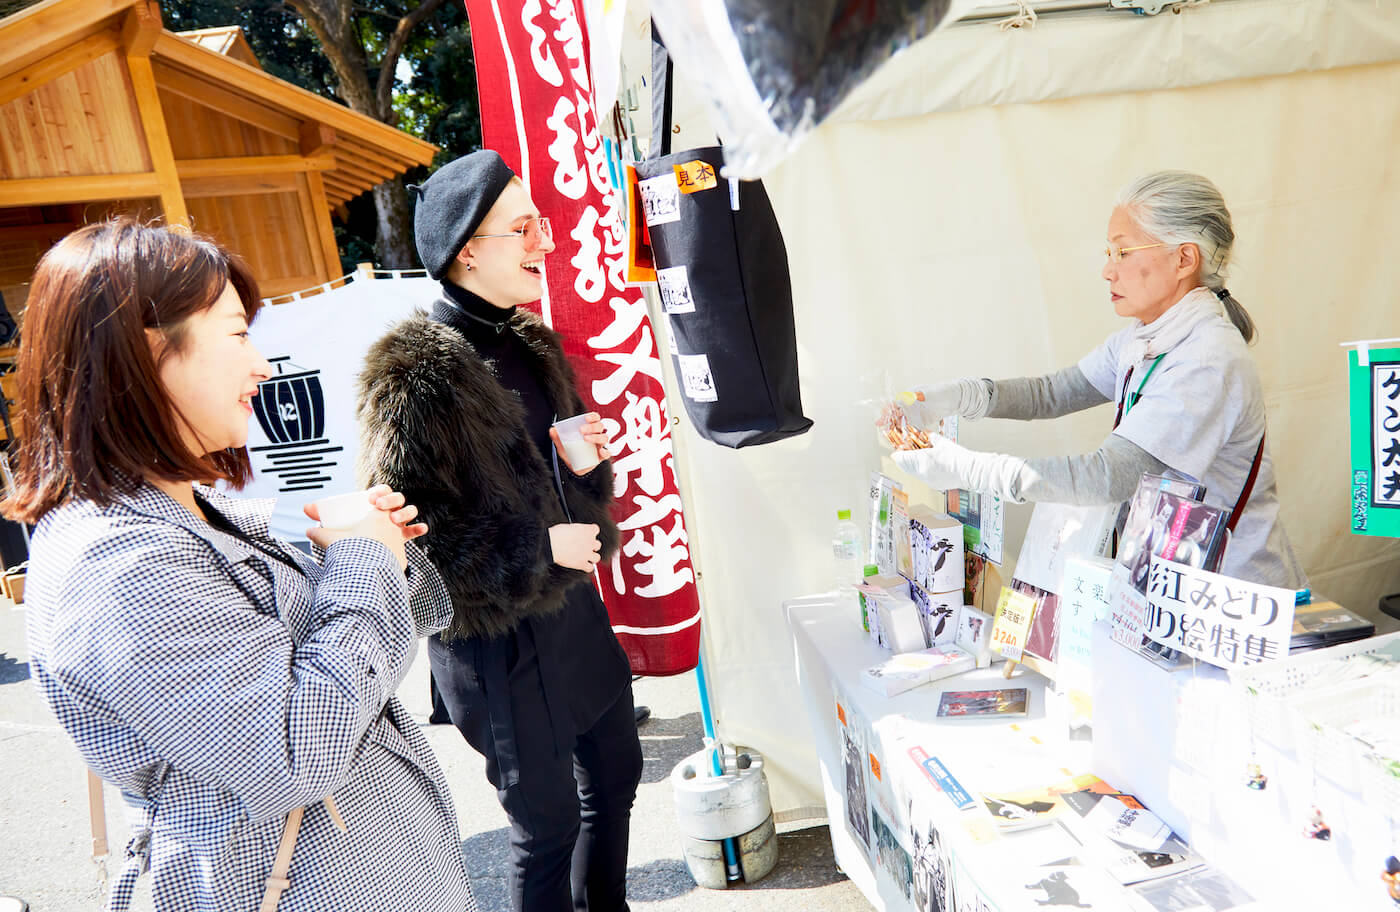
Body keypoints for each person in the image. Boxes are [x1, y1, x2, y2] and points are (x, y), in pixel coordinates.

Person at [10, 221, 477, 912]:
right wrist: (358, 557)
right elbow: (293, 750)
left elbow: (391, 627)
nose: (261, 364)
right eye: (236, 334)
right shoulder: (114, 563)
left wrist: (364, 549)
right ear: (141, 351)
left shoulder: (184, 516)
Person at [358, 150, 643, 912]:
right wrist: (534, 548)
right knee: (544, 827)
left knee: (616, 772)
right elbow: (406, 540)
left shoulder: (532, 342)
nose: (543, 243)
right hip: (496, 640)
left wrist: (581, 470)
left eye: (540, 224)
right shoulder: (413, 375)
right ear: (467, 250)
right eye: (525, 228)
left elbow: (565, 489)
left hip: (571, 608)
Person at [889, 171, 1306, 588]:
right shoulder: (1145, 336)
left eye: (1124, 252)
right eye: (1109, 252)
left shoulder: (1208, 359)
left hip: (1231, 598)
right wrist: (964, 396)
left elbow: (1108, 477)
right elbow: (1050, 394)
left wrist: (970, 469)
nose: (1107, 270)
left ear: (1184, 259)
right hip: (1169, 581)